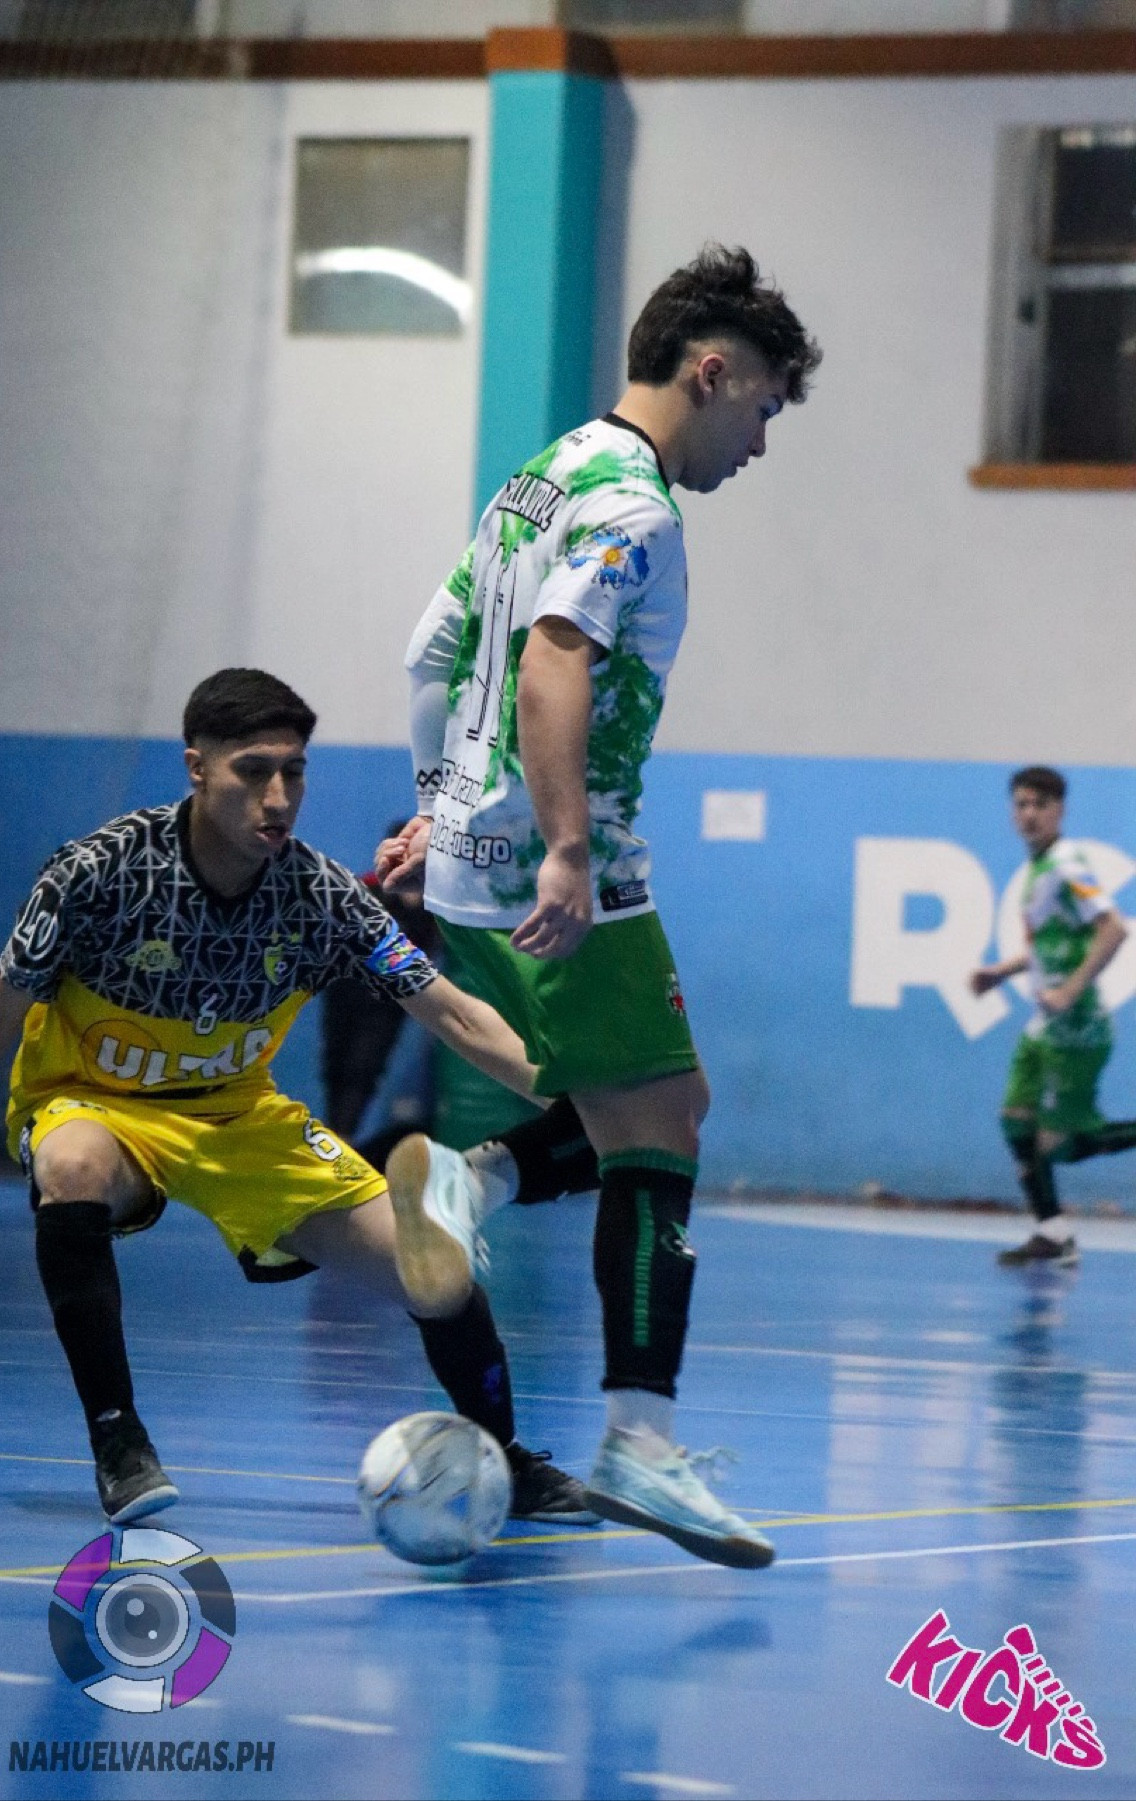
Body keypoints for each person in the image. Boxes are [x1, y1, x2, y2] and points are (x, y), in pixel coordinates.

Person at [377, 245, 821, 1570]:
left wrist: (437, 805)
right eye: (764, 409)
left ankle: (478, 1180)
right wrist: (567, 847)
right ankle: (639, 1437)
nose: (760, 443)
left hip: (476, 853)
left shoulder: (545, 473)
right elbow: (553, 664)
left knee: (654, 1103)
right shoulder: (635, 507)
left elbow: (433, 648)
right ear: (712, 371)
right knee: (664, 1126)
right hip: (566, 868)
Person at [0, 668, 594, 1525]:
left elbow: (455, 1015)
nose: (278, 796)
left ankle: (506, 1459)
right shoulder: (97, 875)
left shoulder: (322, 896)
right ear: (197, 767)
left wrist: (581, 1093)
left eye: (294, 771)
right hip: (92, 1101)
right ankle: (119, 1438)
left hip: (240, 1115)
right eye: (253, 770)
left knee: (435, 1269)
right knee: (74, 1166)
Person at [970, 765, 1134, 1267]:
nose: (1029, 814)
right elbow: (1051, 945)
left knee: (1058, 1146)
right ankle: (1052, 1232)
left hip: (1078, 1027)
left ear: (1059, 810)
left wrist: (1071, 990)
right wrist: (1001, 971)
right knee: (1016, 1121)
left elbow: (1113, 929)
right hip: (1044, 1028)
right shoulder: (1038, 869)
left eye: (1040, 805)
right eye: (1021, 804)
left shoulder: (1066, 865)